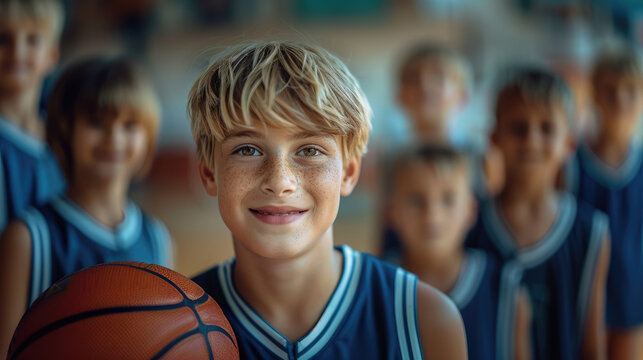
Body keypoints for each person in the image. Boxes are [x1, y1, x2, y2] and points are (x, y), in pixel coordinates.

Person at [188, 40, 467, 359]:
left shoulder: (425, 320)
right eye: (247, 150)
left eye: (309, 151)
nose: (280, 182)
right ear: (209, 173)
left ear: (349, 172)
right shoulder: (168, 323)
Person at [0, 56, 173, 356]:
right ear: (66, 129)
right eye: (97, 122)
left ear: (148, 137)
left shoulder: (157, 239)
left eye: (130, 125)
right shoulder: (29, 237)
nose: (114, 138)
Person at [466, 67, 610, 360]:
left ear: (569, 143)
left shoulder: (591, 231)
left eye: (546, 128)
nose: (532, 139)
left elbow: (592, 341)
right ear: (494, 137)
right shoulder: (467, 221)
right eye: (519, 128)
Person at [387, 144, 531, 360]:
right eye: (416, 200)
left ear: (470, 211)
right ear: (392, 212)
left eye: (448, 199)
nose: (432, 214)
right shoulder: (374, 288)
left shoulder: (505, 291)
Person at [565, 47, 643, 360]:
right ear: (594, 94)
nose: (620, 99)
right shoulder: (572, 165)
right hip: (582, 296)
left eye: (631, 90)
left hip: (632, 296)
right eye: (610, 90)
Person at [0, 0, 65, 231]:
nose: (17, 51)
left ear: (52, 55)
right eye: (3, 39)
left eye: (32, 40)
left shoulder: (63, 138)